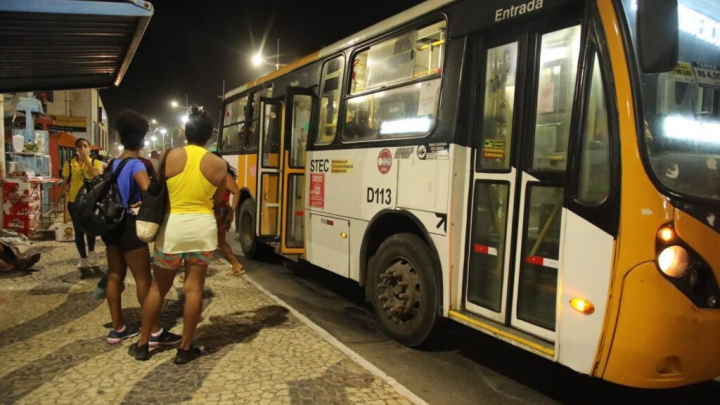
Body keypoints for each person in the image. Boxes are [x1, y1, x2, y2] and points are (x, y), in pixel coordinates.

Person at [130, 106, 227, 364]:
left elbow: (158, 187)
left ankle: (142, 344)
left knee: (158, 288)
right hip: (203, 230)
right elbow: (218, 201)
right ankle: (185, 349)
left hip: (172, 229)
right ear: (209, 135)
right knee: (194, 289)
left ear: (186, 132)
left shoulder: (169, 156)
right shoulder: (220, 164)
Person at [103, 110, 181, 346]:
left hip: (110, 224)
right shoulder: (135, 163)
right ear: (141, 140)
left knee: (115, 275)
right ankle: (155, 331)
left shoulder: (113, 163)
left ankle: (118, 328)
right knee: (143, 279)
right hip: (128, 224)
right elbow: (150, 190)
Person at [61, 138, 102, 273]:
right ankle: (82, 258)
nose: (83, 148)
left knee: (90, 228)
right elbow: (65, 182)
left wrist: (86, 160)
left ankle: (91, 252)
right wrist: (60, 198)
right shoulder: (69, 163)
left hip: (90, 201)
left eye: (85, 146)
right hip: (74, 201)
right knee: (78, 231)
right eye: (80, 146)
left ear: (89, 149)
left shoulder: (95, 162)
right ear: (76, 149)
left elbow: (96, 174)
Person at [212, 151, 244, 276]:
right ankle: (236, 265)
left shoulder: (225, 175)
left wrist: (232, 210)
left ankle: (236, 264)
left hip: (220, 210)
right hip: (216, 209)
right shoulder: (215, 173)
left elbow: (237, 192)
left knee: (215, 241)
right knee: (218, 241)